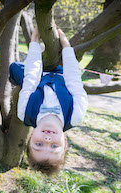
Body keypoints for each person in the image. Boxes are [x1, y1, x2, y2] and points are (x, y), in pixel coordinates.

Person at [9, 26, 88, 175]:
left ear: (30, 137)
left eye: (39, 144)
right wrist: (66, 46)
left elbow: (31, 77)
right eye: (54, 146)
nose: (47, 139)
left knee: (14, 68)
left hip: (38, 77)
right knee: (59, 66)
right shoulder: (76, 115)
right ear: (65, 142)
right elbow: (74, 80)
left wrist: (35, 41)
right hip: (62, 74)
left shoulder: (25, 111)